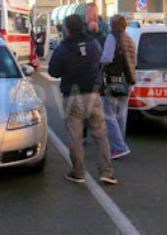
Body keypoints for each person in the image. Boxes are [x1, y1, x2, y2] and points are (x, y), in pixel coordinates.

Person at [48, 14, 117, 185]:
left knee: (75, 136)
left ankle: (78, 172)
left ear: (67, 29)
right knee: (100, 134)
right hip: (93, 94)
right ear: (83, 27)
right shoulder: (93, 44)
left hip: (72, 96)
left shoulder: (63, 48)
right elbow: (100, 62)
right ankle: (107, 172)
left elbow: (53, 72)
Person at [101, 15, 136, 159]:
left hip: (114, 79)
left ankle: (119, 147)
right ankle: (119, 144)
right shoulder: (130, 39)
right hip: (128, 80)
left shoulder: (112, 37)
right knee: (122, 115)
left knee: (108, 114)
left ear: (112, 25)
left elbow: (108, 58)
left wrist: (98, 61)